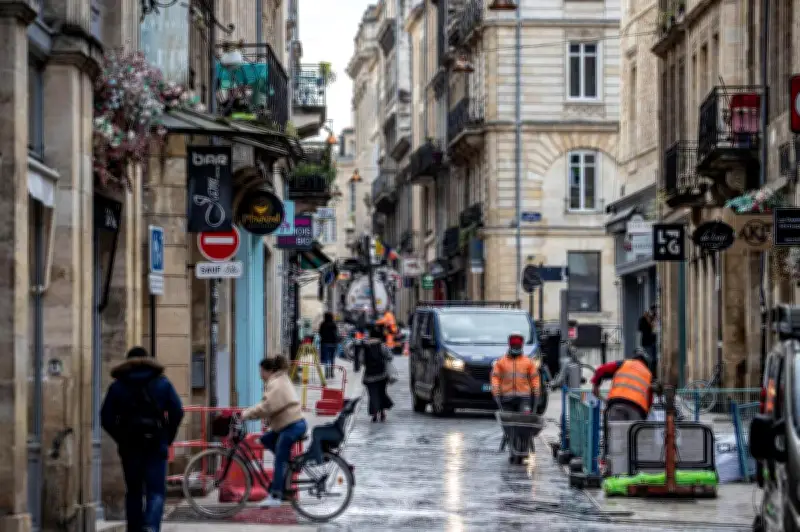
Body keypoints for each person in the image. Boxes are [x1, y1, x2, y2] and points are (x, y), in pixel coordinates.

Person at [100, 346, 184, 532]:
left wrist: (120, 437)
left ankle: (135, 528)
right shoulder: (162, 383)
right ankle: (151, 526)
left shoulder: (118, 385)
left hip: (130, 446)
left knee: (134, 492)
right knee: (156, 491)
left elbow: (105, 417)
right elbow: (177, 411)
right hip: (156, 443)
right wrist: (167, 436)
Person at [241, 356, 308, 507]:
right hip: (290, 424)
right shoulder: (280, 379)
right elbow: (271, 406)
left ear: (268, 370)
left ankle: (276, 495)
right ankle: (289, 465)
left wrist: (246, 414)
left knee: (279, 459)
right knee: (265, 439)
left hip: (292, 425)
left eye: (261, 371)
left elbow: (267, 406)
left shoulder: (276, 383)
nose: (260, 375)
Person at [591, 348, 654, 421]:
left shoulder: (624, 363)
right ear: (647, 364)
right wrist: (645, 414)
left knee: (615, 430)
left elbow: (601, 370)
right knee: (633, 431)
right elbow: (650, 399)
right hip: (637, 408)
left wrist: (596, 386)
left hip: (617, 403)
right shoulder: (649, 374)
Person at [491, 332, 542, 413]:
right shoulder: (501, 362)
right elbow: (495, 378)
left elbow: (535, 378)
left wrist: (536, 393)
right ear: (509, 344)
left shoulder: (528, 362)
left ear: (521, 344)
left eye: (518, 343)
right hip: (506, 399)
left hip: (524, 399)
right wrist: (496, 392)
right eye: (513, 342)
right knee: (508, 423)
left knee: (524, 421)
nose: (516, 345)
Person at [361, 325, 394, 422]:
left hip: (369, 376)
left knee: (372, 395)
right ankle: (383, 413)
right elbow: (390, 356)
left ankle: (374, 414)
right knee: (381, 393)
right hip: (382, 375)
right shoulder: (382, 345)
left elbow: (362, 360)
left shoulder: (366, 346)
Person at [318, 312, 340, 379]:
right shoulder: (334, 325)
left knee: (326, 359)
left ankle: (327, 373)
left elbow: (320, 333)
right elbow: (336, 334)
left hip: (325, 343)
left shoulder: (323, 324)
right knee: (332, 359)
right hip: (333, 343)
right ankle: (332, 373)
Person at [638, 305, 657, 373]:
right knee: (650, 359)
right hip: (647, 342)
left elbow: (654, 328)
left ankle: (652, 374)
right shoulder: (643, 319)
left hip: (653, 341)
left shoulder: (654, 318)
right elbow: (640, 328)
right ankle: (649, 373)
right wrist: (646, 319)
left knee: (654, 359)